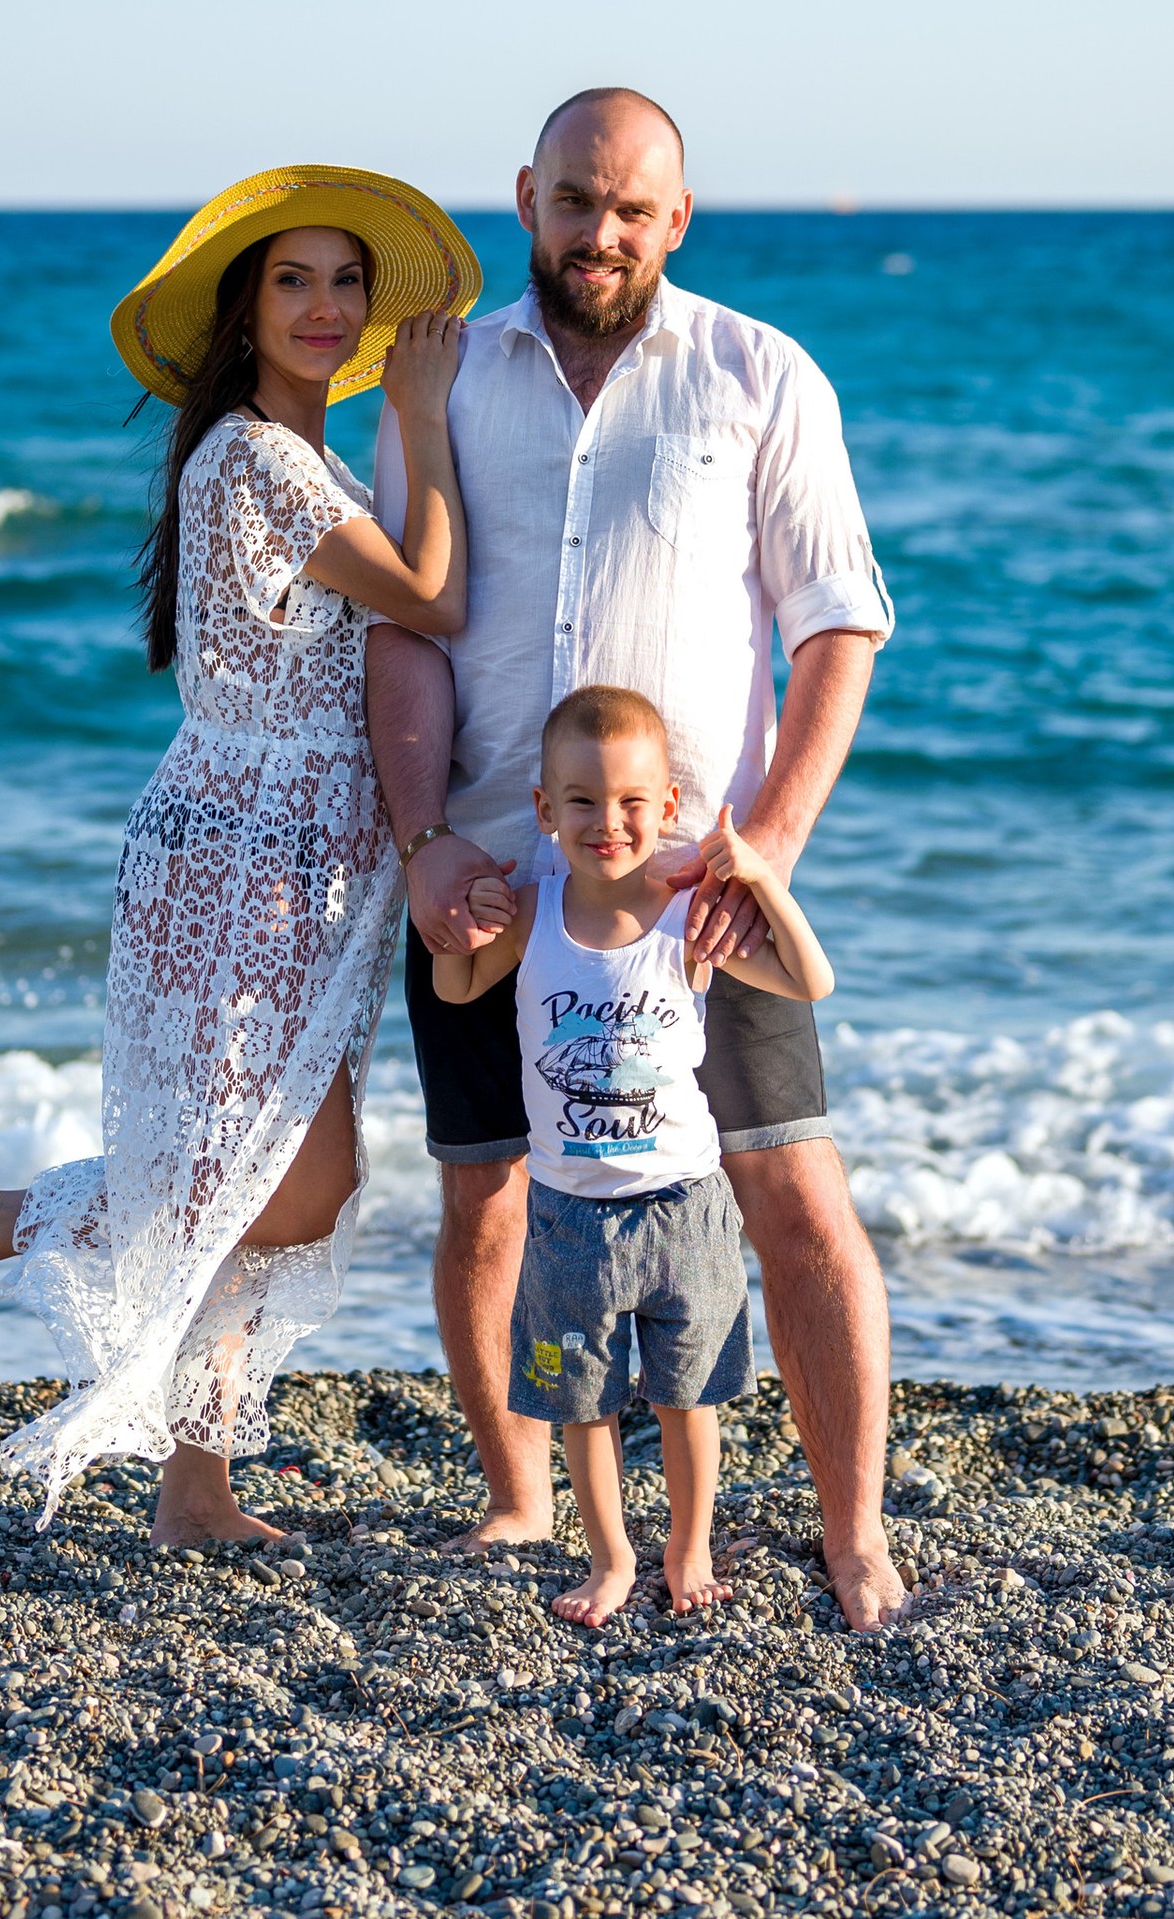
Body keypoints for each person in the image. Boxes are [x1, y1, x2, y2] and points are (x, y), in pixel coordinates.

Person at [0, 165, 484, 1543]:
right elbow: (436, 594)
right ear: (245, 312)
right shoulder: (251, 457)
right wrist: (422, 416)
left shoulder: (310, 467)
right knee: (253, 1183)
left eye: (345, 281)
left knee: (267, 1184)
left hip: (315, 862)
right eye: (292, 280)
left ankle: (197, 1487)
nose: (324, 305)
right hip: (241, 853)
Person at [368, 88, 909, 1630]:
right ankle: (522, 1500)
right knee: (487, 1193)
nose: (598, 234)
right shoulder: (445, 380)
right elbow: (403, 624)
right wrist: (420, 848)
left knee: (792, 1188)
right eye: (573, 202)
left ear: (678, 219)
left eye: (631, 209)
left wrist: (771, 852)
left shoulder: (762, 374)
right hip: (486, 865)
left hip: (693, 891)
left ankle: (853, 1533)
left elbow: (837, 625)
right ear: (525, 196)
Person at [432, 683, 837, 1626]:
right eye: (580, 801)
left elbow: (810, 980)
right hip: (568, 1212)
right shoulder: (533, 912)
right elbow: (456, 990)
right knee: (584, 1401)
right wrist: (472, 913)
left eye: (628, 803)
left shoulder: (686, 915)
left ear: (667, 808)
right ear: (544, 812)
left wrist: (764, 878)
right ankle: (611, 1558)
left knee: (689, 1398)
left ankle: (687, 1548)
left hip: (684, 1204)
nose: (605, 821)